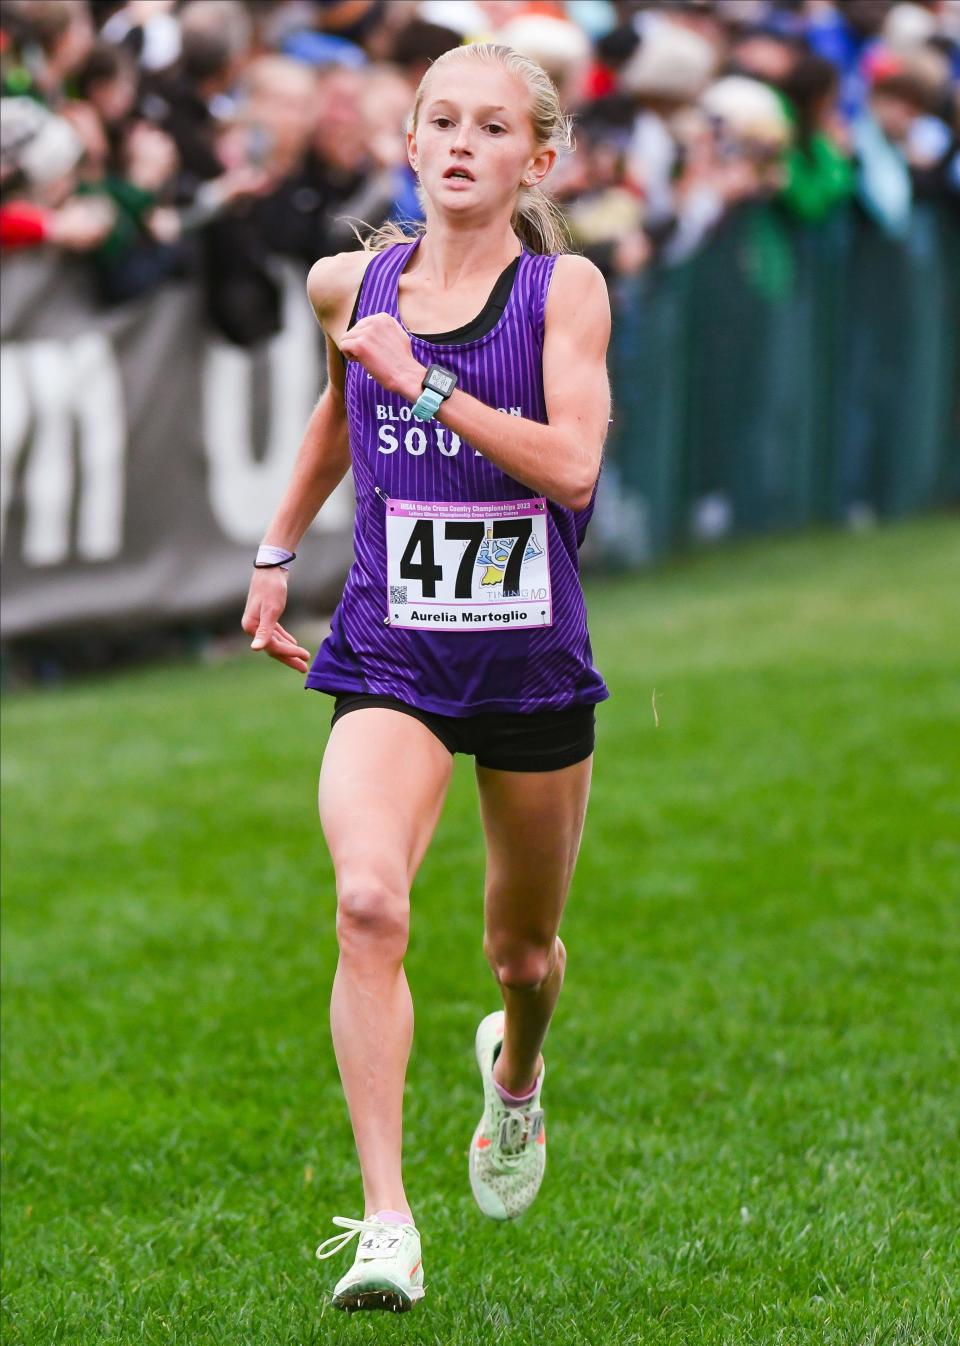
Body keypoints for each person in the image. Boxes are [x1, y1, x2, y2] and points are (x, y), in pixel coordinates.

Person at [241, 40, 611, 1315]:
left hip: (530, 668)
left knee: (525, 952)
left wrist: (433, 384)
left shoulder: (565, 293)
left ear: (537, 158)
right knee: (367, 901)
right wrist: (275, 552)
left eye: (492, 127)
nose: (461, 142)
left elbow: (571, 471)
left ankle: (515, 1079)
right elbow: (342, 410)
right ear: (407, 144)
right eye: (439, 121)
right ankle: (388, 1222)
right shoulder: (352, 282)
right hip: (390, 653)